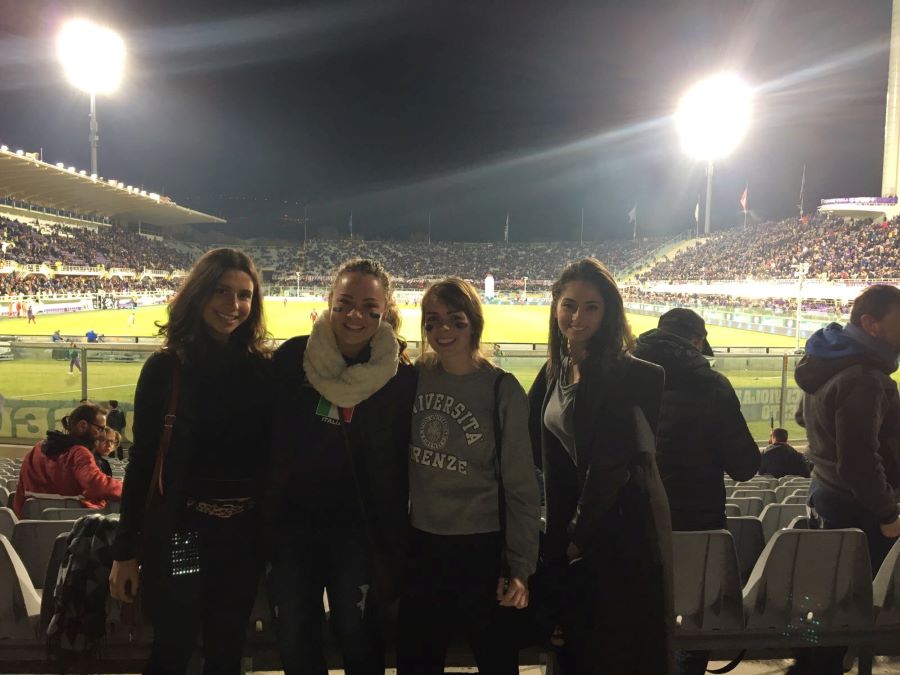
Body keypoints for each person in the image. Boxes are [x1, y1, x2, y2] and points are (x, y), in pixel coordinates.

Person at [109, 248, 273, 674]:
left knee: (227, 648)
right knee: (174, 644)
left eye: (244, 295)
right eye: (221, 291)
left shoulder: (263, 370)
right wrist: (125, 552)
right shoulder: (165, 369)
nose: (233, 306)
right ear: (198, 294)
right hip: (184, 534)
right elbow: (142, 463)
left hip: (243, 537)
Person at [265, 258, 417, 675]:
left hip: (360, 531)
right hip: (292, 529)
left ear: (385, 310)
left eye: (370, 306)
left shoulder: (400, 377)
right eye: (345, 302)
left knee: (359, 638)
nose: (356, 315)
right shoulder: (293, 358)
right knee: (296, 637)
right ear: (328, 302)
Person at [528, 258, 673, 675]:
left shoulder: (633, 375)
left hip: (616, 537)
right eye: (569, 305)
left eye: (591, 306)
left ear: (609, 312)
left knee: (612, 652)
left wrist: (575, 539)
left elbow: (611, 467)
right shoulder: (555, 369)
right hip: (572, 535)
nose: (577, 316)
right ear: (556, 306)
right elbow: (532, 443)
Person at [398, 278, 540, 674]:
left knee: (495, 659)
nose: (442, 331)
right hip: (422, 543)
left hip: (481, 548)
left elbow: (520, 486)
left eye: (455, 321)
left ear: (473, 323)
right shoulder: (412, 377)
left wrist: (520, 565)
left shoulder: (502, 390)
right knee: (417, 660)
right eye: (432, 321)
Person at [633, 308, 759, 675]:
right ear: (697, 341)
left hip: (633, 523)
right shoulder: (713, 386)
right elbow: (746, 465)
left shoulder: (622, 373)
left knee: (639, 626)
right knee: (694, 623)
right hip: (697, 525)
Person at [792, 284, 900, 674]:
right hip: (857, 507)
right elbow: (858, 462)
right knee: (849, 607)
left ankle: (811, 663)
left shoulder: (827, 360)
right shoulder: (865, 376)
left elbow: (803, 419)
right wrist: (888, 513)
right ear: (870, 324)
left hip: (825, 492)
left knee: (827, 601)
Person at [12, 402, 122, 516]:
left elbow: (20, 494)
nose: (102, 434)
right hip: (71, 527)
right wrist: (130, 489)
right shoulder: (79, 453)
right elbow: (97, 485)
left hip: (31, 527)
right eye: (100, 429)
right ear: (83, 426)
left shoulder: (37, 449)